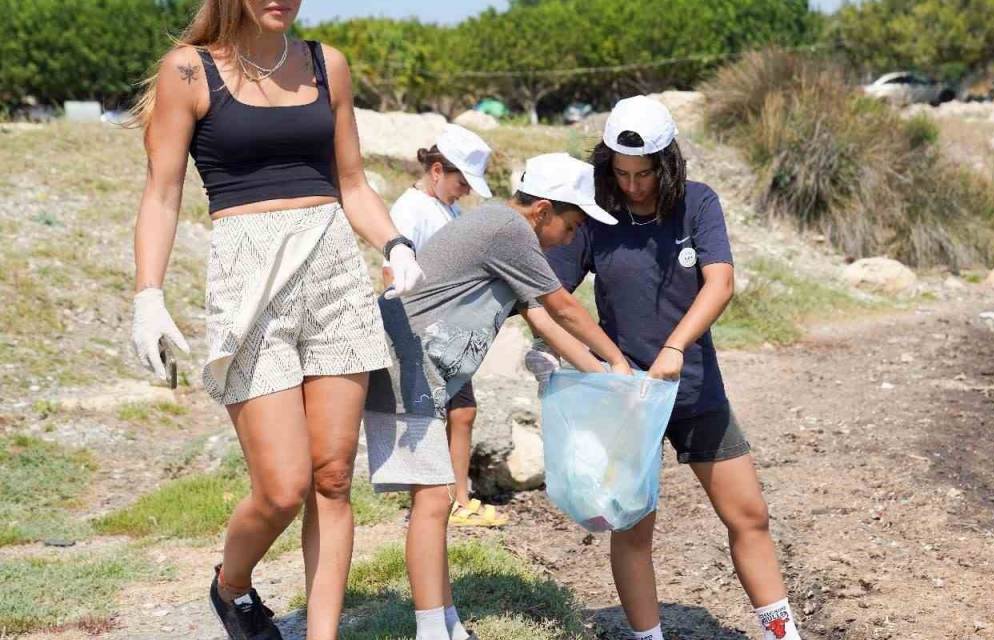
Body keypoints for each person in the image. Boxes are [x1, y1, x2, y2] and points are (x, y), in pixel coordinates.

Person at [128, 1, 424, 638]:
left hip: (335, 271)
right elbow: (162, 192)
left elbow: (352, 182)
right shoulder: (188, 71)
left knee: (334, 476)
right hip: (248, 278)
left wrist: (397, 245)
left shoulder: (327, 65)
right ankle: (230, 586)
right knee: (283, 487)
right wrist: (147, 296)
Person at [530, 96, 803, 640]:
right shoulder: (595, 216)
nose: (632, 185)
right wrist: (591, 362)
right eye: (621, 172)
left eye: (644, 173)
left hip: (696, 389)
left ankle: (782, 634)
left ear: (668, 163)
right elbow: (550, 298)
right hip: (627, 399)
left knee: (749, 515)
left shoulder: (697, 204)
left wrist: (676, 348)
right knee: (631, 529)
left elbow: (719, 282)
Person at [364, 153, 633, 640]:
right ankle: (431, 630)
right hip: (407, 364)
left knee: (437, 499)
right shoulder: (507, 228)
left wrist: (605, 376)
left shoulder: (504, 232)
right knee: (431, 501)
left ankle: (446, 622)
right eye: (571, 227)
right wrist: (616, 361)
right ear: (543, 211)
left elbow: (543, 320)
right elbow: (563, 307)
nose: (571, 240)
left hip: (426, 368)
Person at [382, 124, 508, 527]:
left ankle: (458, 497)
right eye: (460, 181)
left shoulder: (448, 209)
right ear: (437, 170)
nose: (465, 190)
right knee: (437, 416)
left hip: (450, 332)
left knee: (463, 412)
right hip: (422, 333)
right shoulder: (410, 210)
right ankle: (439, 501)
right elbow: (392, 274)